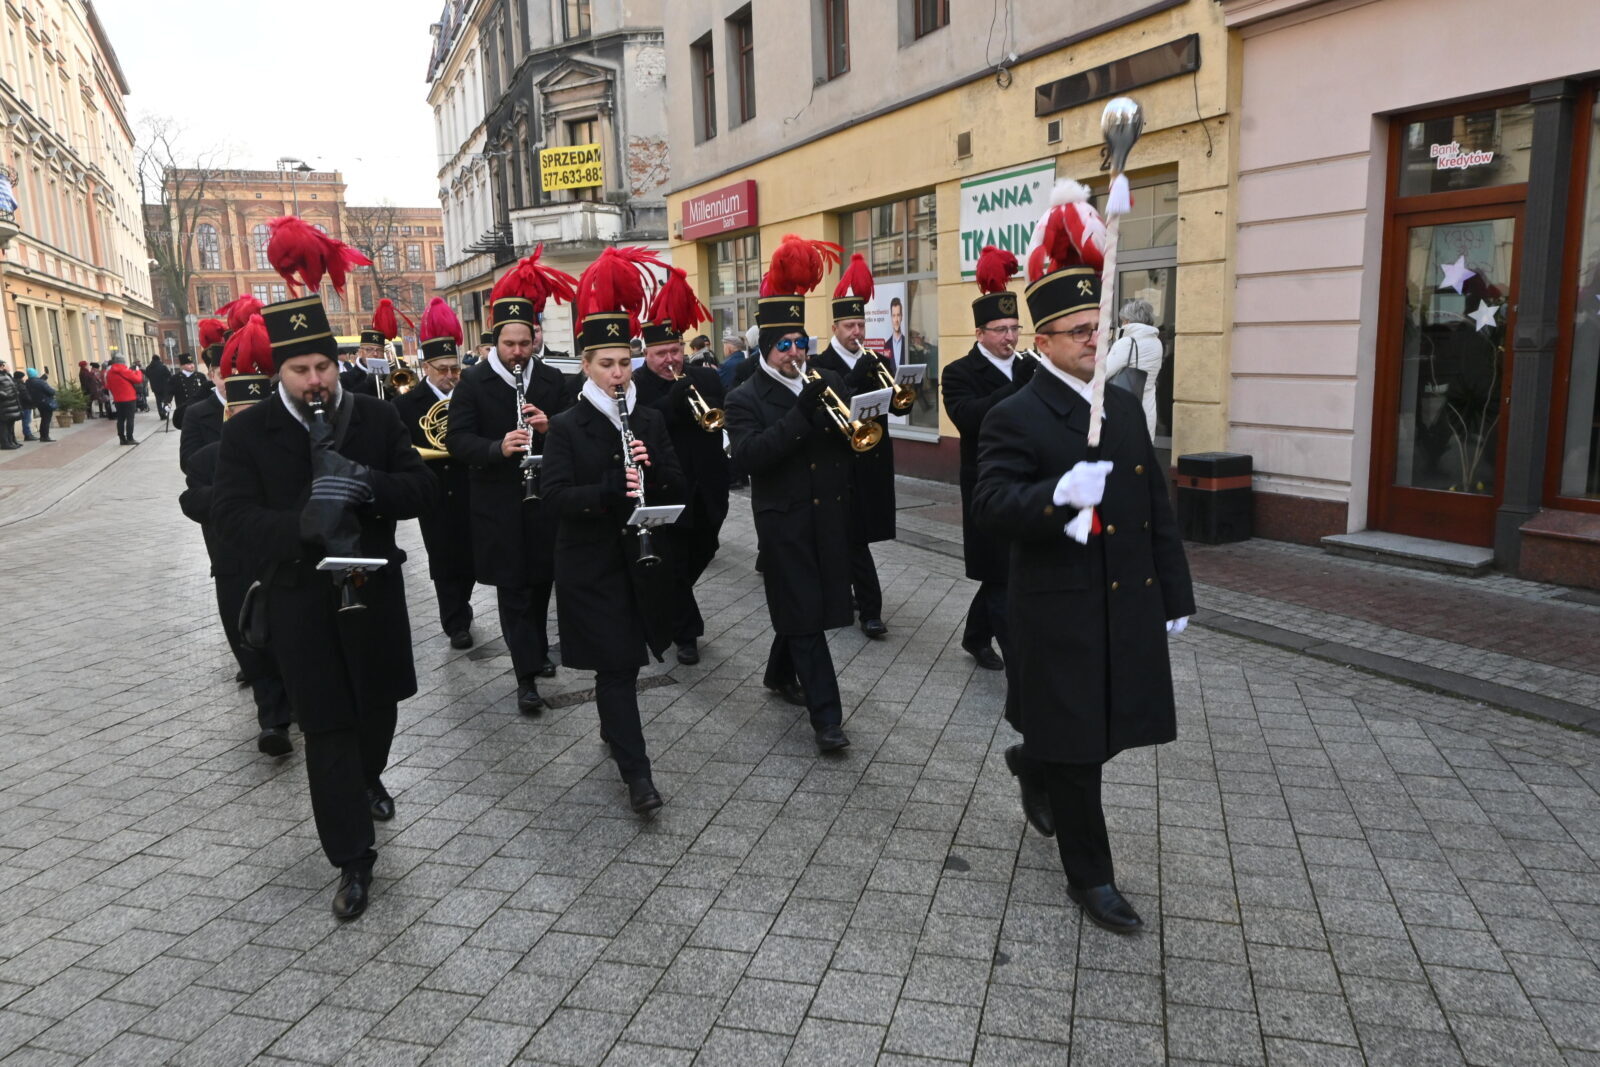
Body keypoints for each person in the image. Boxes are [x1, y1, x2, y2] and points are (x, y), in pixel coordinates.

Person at [973, 187, 1193, 933]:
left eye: (1097, 327)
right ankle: (1091, 878)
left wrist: (1175, 592)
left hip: (1122, 596)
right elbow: (991, 505)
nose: (1093, 342)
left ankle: (1034, 763)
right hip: (1059, 604)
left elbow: (1154, 502)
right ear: (1043, 341)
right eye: (1076, 334)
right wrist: (1054, 495)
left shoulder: (1122, 404)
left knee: (1099, 733)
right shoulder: (1016, 414)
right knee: (1078, 748)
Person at [212, 217, 438, 919]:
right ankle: (352, 858)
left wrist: (366, 483)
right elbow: (233, 520)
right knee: (328, 728)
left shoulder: (372, 416)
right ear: (278, 370)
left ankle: (367, 778)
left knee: (375, 711)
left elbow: (421, 488)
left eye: (324, 368)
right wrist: (302, 523)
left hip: (373, 585)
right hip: (302, 603)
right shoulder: (248, 430)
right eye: (301, 370)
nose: (316, 382)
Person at [543, 247, 685, 814]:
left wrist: (652, 469)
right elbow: (553, 498)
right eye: (607, 364)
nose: (620, 374)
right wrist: (610, 487)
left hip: (642, 562)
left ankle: (614, 729)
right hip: (591, 564)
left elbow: (677, 483)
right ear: (586, 366)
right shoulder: (567, 427)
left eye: (625, 363)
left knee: (623, 666)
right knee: (618, 667)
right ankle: (638, 776)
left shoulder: (647, 417)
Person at [725, 234, 855, 753]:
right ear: (766, 349)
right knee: (804, 617)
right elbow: (748, 457)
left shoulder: (823, 381)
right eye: (786, 345)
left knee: (803, 609)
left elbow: (848, 442)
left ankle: (779, 675)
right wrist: (803, 417)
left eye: (802, 343)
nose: (797, 353)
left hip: (829, 516)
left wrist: (859, 422)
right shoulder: (742, 397)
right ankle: (828, 720)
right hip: (782, 520)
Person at [446, 250, 578, 715]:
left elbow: (572, 428)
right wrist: (496, 448)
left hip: (543, 501)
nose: (519, 352)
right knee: (514, 590)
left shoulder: (552, 378)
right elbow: (456, 440)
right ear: (495, 342)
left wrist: (550, 429)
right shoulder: (473, 383)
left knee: (542, 583)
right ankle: (525, 676)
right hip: (498, 505)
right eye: (510, 344)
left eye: (526, 343)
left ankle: (537, 650)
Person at [178, 322, 296, 757]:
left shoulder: (288, 450)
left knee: (287, 638)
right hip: (233, 563)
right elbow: (192, 499)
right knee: (251, 643)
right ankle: (273, 721)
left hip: (283, 560)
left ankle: (288, 709)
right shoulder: (209, 457)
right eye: (237, 415)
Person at [941, 246, 1037, 673]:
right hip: (984, 482)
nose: (1011, 339)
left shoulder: (1029, 366)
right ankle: (1021, 662)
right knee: (999, 570)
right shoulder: (959, 373)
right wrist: (1019, 387)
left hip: (1028, 480)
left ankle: (975, 635)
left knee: (1008, 566)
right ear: (980, 333)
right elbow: (969, 418)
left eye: (1015, 329)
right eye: (1000, 330)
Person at [633, 268, 730, 665]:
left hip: (707, 486)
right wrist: (671, 402)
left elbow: (719, 418)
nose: (671, 359)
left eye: (676, 351)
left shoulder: (704, 379)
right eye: (662, 354)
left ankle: (662, 608)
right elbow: (639, 423)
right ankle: (686, 631)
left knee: (704, 551)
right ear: (646, 354)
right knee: (672, 563)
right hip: (664, 488)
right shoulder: (635, 384)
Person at [808, 252, 904, 639]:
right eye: (850, 325)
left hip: (872, 459)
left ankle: (851, 595)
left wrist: (902, 396)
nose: (857, 332)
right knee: (854, 538)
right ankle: (870, 609)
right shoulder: (821, 362)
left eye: (861, 324)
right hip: (839, 462)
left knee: (856, 535)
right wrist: (857, 380)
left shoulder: (876, 358)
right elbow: (831, 409)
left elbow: (891, 407)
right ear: (835, 326)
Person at [392, 301, 478, 649]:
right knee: (443, 557)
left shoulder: (472, 394)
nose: (450, 376)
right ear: (426, 367)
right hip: (435, 488)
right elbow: (402, 448)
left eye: (454, 369)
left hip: (470, 481)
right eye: (442, 369)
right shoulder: (406, 404)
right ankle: (455, 621)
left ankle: (464, 604)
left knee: (471, 555)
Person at [1104, 298, 1163, 441]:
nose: (1121, 323)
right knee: (1143, 448)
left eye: (1122, 320)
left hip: (1124, 405)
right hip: (1148, 403)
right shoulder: (1156, 342)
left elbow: (1103, 374)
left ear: (1128, 321)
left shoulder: (1127, 342)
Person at [104, 355, 144, 445]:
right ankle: (130, 438)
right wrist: (138, 372)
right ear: (123, 361)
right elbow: (138, 379)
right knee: (130, 418)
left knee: (120, 419)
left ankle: (122, 438)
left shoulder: (109, 372)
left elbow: (107, 386)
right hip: (129, 398)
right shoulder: (124, 370)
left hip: (118, 399)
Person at [171, 352, 211, 429]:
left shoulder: (200, 376)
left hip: (200, 408)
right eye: (188, 364)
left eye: (192, 363)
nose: (192, 366)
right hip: (184, 408)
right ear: (182, 366)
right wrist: (167, 402)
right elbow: (170, 391)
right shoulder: (175, 378)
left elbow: (207, 391)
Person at [26, 369, 56, 442]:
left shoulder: (28, 382)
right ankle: (45, 437)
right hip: (46, 402)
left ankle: (42, 436)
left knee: (43, 419)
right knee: (46, 420)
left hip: (38, 403)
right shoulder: (40, 382)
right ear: (35, 373)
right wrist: (53, 390)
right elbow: (51, 391)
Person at [145, 353, 173, 421]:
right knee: (167, 400)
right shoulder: (163, 367)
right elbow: (169, 375)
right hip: (164, 386)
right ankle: (164, 411)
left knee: (158, 401)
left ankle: (161, 414)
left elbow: (147, 375)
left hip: (155, 387)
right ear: (159, 359)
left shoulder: (148, 368)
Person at [0, 360, 21, 449]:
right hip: (4, 405)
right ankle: (5, 444)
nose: (6, 367)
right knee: (4, 426)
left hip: (11, 404)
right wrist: (6, 395)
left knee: (10, 425)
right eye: (4, 365)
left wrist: (16, 392)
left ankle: (11, 441)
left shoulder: (6, 375)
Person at [13, 369, 35, 442]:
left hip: (22, 405)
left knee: (26, 420)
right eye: (23, 377)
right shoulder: (21, 385)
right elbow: (26, 396)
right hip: (25, 406)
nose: (24, 378)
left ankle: (28, 434)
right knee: (26, 420)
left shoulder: (15, 384)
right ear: (20, 377)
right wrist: (32, 401)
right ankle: (28, 435)